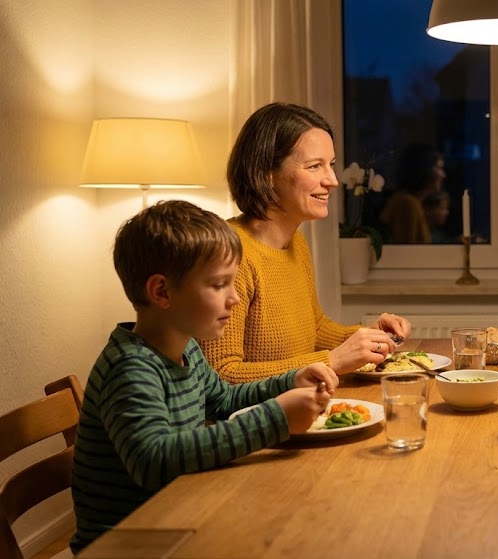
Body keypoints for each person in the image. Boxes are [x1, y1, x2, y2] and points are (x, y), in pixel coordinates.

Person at [71, 200, 338, 553]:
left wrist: (290, 380)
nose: (236, 298)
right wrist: (276, 419)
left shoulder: (186, 348)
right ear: (162, 292)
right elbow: (154, 461)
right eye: (219, 285)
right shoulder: (130, 368)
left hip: (181, 514)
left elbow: (223, 399)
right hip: (133, 542)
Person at [199, 102, 410, 383]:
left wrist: (367, 337)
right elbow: (221, 375)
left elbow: (315, 329)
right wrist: (332, 361)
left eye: (331, 165)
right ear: (266, 174)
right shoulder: (229, 254)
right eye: (314, 166)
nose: (332, 180)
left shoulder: (295, 241)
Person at [379, 142, 448, 244]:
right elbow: (407, 251)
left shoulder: (413, 203)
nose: (443, 175)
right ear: (424, 169)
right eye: (439, 168)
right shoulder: (407, 203)